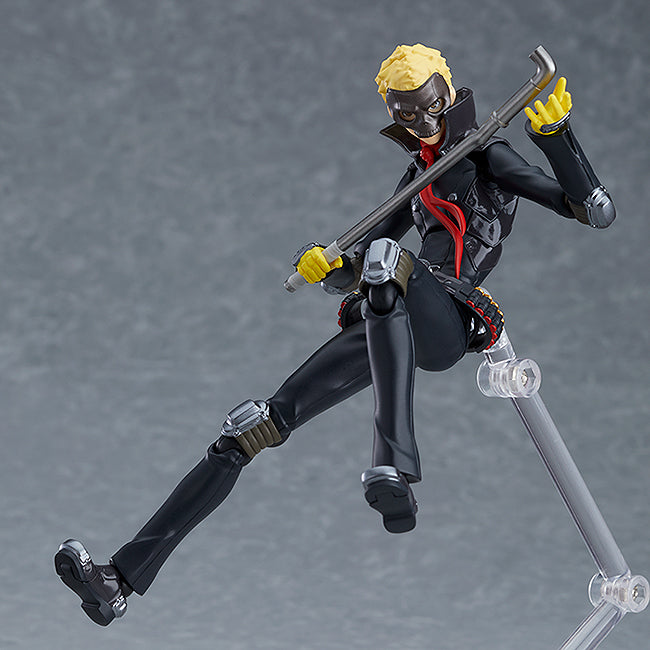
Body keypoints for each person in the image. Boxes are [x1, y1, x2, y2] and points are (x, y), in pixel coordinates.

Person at [54, 43, 615, 626]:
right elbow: (361, 260)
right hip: (389, 312)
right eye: (405, 113)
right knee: (248, 428)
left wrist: (558, 138)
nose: (421, 121)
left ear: (448, 93)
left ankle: (395, 465)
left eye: (429, 106)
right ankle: (119, 580)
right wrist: (328, 265)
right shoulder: (419, 176)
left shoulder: (488, 156)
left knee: (388, 260)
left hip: (449, 317)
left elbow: (592, 210)